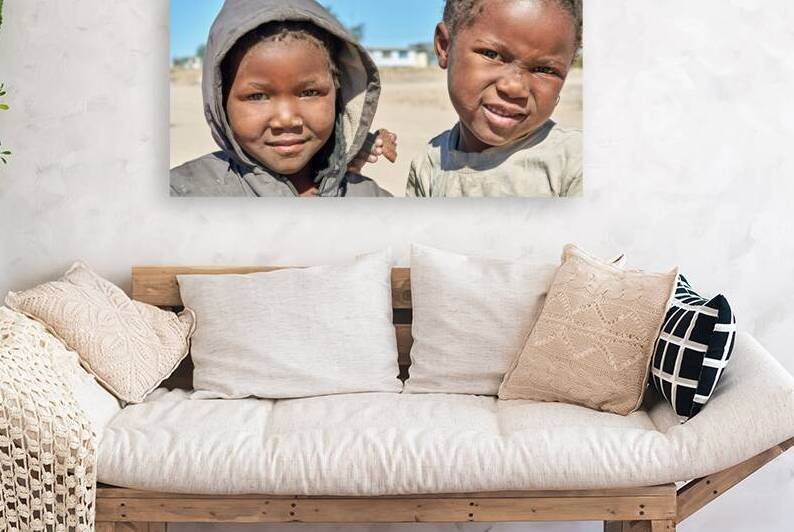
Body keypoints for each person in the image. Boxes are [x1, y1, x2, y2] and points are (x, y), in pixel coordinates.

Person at [170, 0, 393, 197]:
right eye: (257, 96)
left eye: (309, 93)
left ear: (339, 94)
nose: (286, 120)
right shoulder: (183, 193)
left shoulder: (371, 199)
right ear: (221, 102)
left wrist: (342, 156)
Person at [406, 0, 583, 198]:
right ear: (445, 46)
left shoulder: (576, 164)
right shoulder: (429, 165)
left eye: (544, 69)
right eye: (493, 55)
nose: (515, 88)